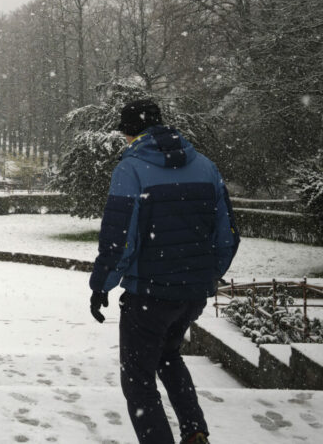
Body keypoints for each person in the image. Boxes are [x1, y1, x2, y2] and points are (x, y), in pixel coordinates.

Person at [89, 99, 239, 444]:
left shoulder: (132, 168)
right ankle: (194, 430)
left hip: (150, 295)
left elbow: (118, 238)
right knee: (169, 356)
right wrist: (206, 275)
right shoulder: (204, 165)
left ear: (128, 131)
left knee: (138, 380)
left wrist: (101, 286)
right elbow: (227, 232)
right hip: (191, 293)